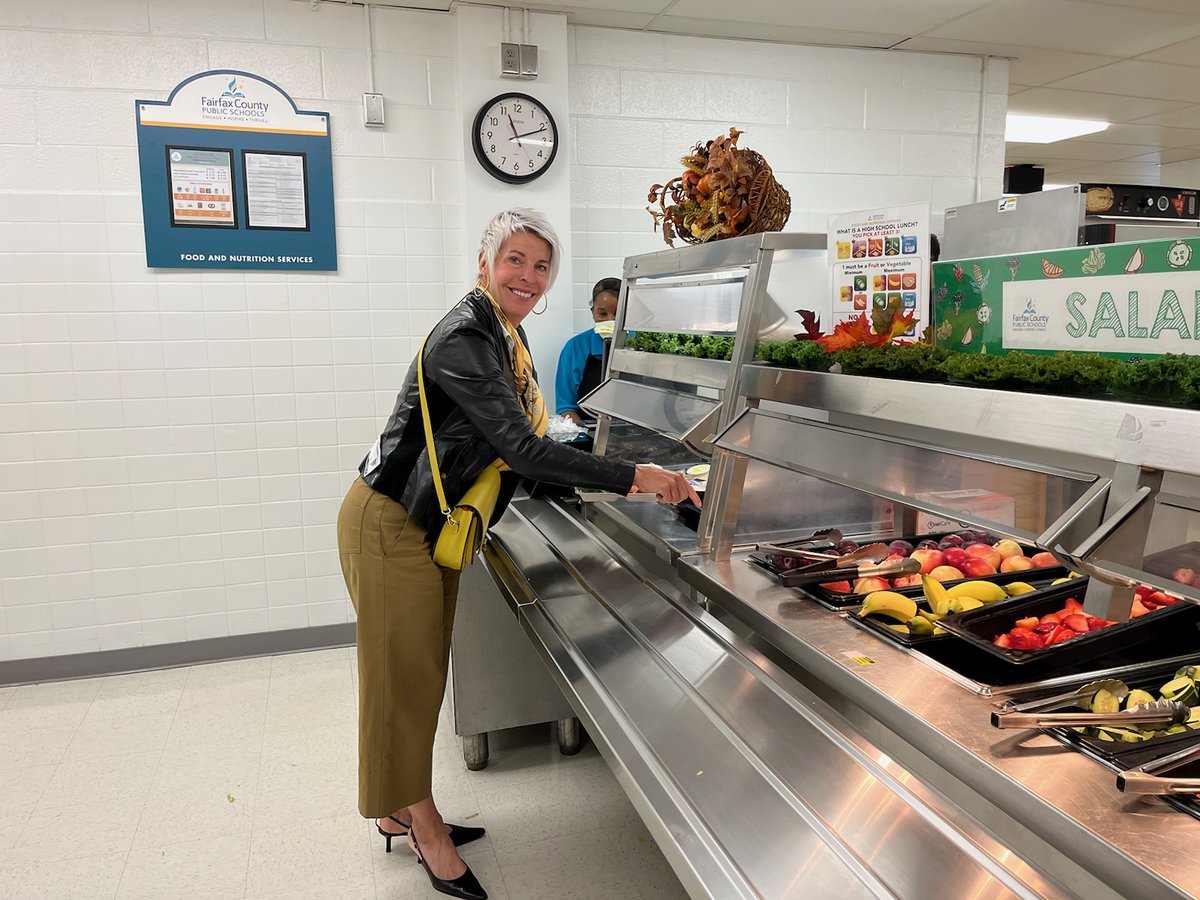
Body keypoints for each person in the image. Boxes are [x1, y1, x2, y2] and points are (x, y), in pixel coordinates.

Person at [336, 208, 699, 900]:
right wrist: (632, 478)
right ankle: (426, 834)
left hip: (423, 523)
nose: (528, 277)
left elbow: (522, 452)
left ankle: (403, 808)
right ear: (484, 261)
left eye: (540, 265)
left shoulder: (506, 336)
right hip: (390, 523)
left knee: (417, 675)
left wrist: (605, 483)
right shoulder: (465, 336)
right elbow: (521, 449)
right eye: (515, 260)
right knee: (402, 684)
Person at [554, 277, 620, 423]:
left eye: (618, 314)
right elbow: (565, 407)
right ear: (592, 312)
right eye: (602, 314)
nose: (610, 319)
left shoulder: (642, 347)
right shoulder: (574, 348)